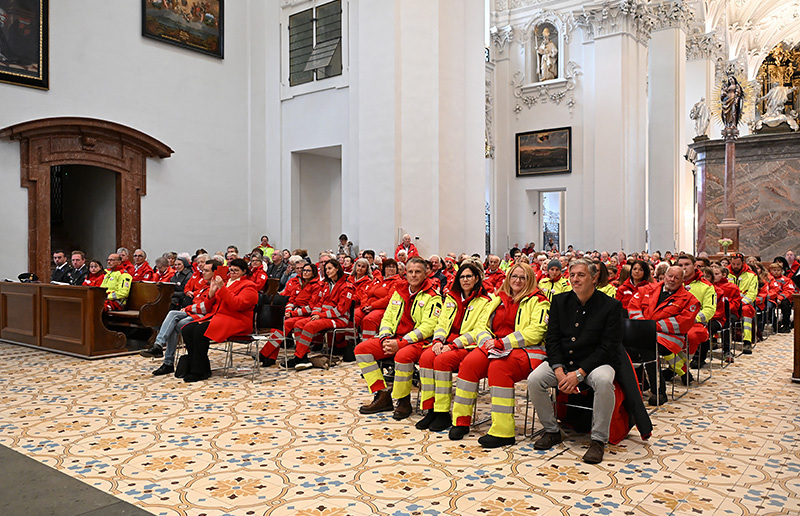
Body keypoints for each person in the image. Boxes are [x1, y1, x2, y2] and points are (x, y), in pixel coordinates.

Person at [528, 259, 624, 464]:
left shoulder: (610, 306)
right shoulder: (559, 301)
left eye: (580, 275)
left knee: (605, 382)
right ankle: (552, 430)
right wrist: (559, 370)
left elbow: (608, 347)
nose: (574, 279)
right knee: (535, 380)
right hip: (564, 361)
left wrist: (580, 373)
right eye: (572, 275)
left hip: (596, 362)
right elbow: (552, 339)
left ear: (594, 277)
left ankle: (598, 440)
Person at [449, 263, 549, 447]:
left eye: (522, 277)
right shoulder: (497, 298)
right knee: (469, 364)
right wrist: (487, 340)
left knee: (499, 368)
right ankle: (461, 421)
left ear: (530, 280)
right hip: (494, 346)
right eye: (514, 276)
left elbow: (537, 331)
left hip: (525, 350)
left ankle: (503, 431)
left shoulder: (539, 301)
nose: (517, 281)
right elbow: (480, 325)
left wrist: (504, 343)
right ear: (508, 278)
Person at [356, 257, 442, 418]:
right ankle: (382, 394)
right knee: (361, 349)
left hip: (418, 341)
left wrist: (401, 343)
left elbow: (428, 327)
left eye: (418, 272)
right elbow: (388, 317)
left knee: (403, 356)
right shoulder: (399, 292)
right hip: (395, 338)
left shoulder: (433, 296)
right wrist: (385, 337)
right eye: (410, 272)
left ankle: (403, 401)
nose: (414, 275)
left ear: (426, 274)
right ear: (405, 274)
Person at [415, 261, 493, 432]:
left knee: (442, 361)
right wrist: (437, 341)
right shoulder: (451, 297)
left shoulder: (485, 301)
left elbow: (479, 330)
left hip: (467, 345)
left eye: (469, 276)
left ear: (477, 278)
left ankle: (442, 412)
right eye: (462, 276)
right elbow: (442, 322)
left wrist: (453, 345)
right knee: (426, 358)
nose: (465, 280)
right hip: (446, 342)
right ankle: (431, 409)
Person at [628, 266, 701, 404]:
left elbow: (683, 323)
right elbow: (633, 307)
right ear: (664, 275)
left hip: (670, 338)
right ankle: (643, 384)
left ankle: (659, 392)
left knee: (648, 348)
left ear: (682, 280)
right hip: (644, 333)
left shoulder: (689, 300)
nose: (672, 280)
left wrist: (653, 326)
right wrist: (644, 326)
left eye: (676, 278)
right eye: (670, 276)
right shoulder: (647, 289)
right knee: (623, 345)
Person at [180, 258, 258, 382]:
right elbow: (213, 303)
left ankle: (199, 371)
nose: (232, 273)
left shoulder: (249, 286)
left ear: (244, 272)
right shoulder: (226, 282)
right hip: (219, 316)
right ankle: (200, 366)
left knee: (200, 331)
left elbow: (238, 304)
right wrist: (211, 293)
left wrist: (222, 288)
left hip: (236, 319)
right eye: (231, 270)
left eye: (236, 271)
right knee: (188, 329)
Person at [144, 260, 218, 369]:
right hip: (194, 312)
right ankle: (158, 345)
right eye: (203, 270)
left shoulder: (214, 287)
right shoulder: (203, 284)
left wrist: (187, 309)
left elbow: (204, 308)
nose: (203, 273)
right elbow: (191, 293)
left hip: (206, 316)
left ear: (214, 273)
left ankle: (167, 362)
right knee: (172, 314)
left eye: (206, 271)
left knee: (176, 324)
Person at [286, 259, 355, 370]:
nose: (327, 271)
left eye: (330, 268)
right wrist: (315, 313)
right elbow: (319, 303)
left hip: (339, 319)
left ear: (337, 269)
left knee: (310, 326)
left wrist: (320, 316)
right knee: (298, 324)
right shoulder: (327, 285)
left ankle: (298, 357)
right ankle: (303, 356)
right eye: (326, 269)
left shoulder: (347, 287)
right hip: (323, 316)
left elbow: (340, 310)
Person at [259, 262, 322, 366]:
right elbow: (291, 300)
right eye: (304, 270)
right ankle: (271, 357)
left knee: (285, 325)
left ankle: (264, 353)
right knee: (276, 326)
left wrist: (292, 313)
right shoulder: (299, 283)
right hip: (294, 313)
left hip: (305, 314)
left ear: (313, 273)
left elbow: (311, 307)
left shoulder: (317, 286)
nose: (305, 272)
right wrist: (288, 311)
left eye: (308, 271)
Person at [678, 255, 717, 371]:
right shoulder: (673, 282)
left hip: (695, 323)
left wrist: (692, 318)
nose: (683, 268)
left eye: (687, 264)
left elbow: (709, 310)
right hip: (673, 321)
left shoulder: (706, 286)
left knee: (691, 335)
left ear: (695, 266)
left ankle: (678, 368)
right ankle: (676, 368)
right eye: (680, 265)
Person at [355, 259, 400, 339]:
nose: (391, 269)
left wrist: (372, 306)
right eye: (388, 267)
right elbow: (365, 293)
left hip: (382, 308)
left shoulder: (397, 282)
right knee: (354, 315)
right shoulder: (378, 279)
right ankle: (349, 343)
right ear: (384, 268)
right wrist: (364, 305)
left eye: (393, 267)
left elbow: (389, 299)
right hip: (367, 306)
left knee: (369, 320)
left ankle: (367, 344)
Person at [707, 264, 741, 363]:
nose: (714, 277)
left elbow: (735, 304)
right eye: (712, 275)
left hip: (730, 313)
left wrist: (724, 308)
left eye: (717, 274)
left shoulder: (732, 287)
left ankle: (727, 350)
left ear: (724, 275)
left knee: (726, 323)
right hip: (713, 313)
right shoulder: (709, 287)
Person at [728, 253, 758, 354]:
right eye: (733, 264)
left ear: (743, 263)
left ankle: (747, 341)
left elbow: (752, 293)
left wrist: (741, 303)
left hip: (744, 304)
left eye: (738, 264)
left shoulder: (751, 275)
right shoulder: (725, 273)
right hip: (729, 303)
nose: (735, 266)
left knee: (746, 311)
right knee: (719, 310)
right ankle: (716, 340)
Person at [768, 262, 795, 333]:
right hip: (771, 297)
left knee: (786, 304)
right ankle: (774, 324)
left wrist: (780, 298)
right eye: (774, 270)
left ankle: (786, 325)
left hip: (783, 298)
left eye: (778, 270)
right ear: (770, 271)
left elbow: (789, 291)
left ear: (781, 271)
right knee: (768, 305)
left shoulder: (786, 280)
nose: (776, 272)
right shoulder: (768, 279)